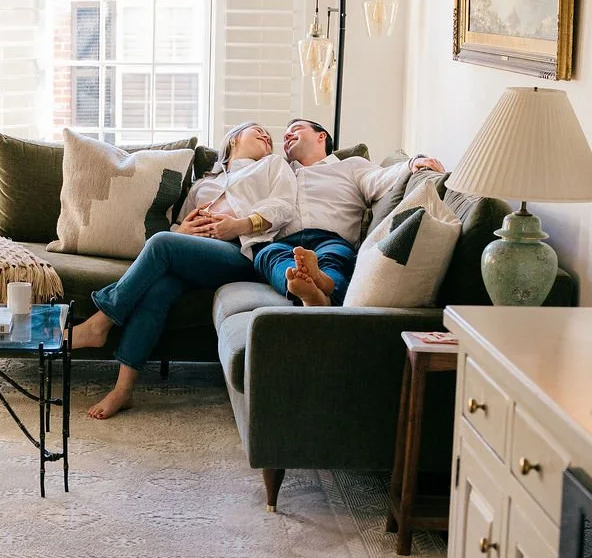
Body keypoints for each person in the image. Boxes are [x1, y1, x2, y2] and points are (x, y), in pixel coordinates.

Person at [72, 122, 297, 419]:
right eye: (257, 130)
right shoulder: (205, 183)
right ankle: (123, 390)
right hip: (196, 254)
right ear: (233, 140)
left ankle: (99, 323)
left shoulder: (273, 165)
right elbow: (179, 227)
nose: (267, 135)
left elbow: (284, 206)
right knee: (159, 289)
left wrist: (239, 225)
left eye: (268, 134)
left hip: (239, 252)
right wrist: (183, 231)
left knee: (160, 242)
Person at [254, 119, 445, 307]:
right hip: (285, 242)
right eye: (285, 136)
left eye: (296, 129)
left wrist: (413, 163)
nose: (287, 135)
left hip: (332, 239)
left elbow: (380, 178)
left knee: (334, 258)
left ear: (321, 136)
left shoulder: (351, 166)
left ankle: (321, 285)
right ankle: (311, 291)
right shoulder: (279, 172)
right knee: (267, 255)